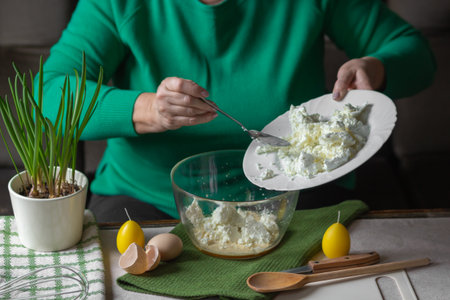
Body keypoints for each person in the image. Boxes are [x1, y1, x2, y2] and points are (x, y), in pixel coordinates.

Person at [39, 0, 435, 222]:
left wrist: (376, 68)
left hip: (296, 195)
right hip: (150, 198)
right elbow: (50, 94)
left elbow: (415, 53)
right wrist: (147, 110)